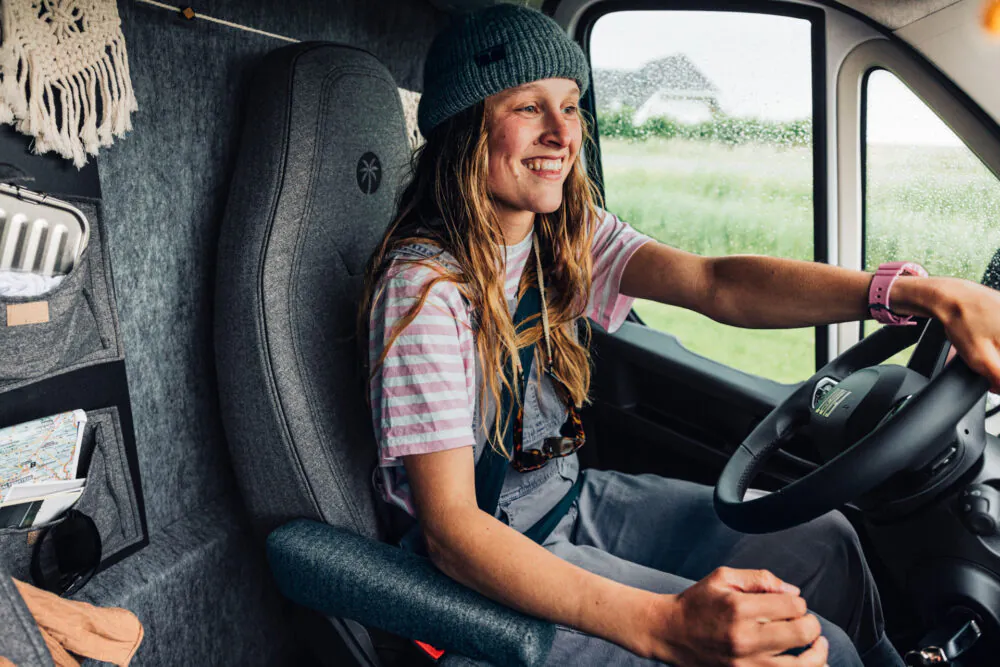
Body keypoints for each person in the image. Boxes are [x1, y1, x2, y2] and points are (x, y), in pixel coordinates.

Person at [361, 5, 1000, 666]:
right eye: (529, 107)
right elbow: (453, 532)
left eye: (572, 105)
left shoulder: (564, 239)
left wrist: (903, 292)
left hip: (570, 508)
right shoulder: (425, 291)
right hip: (480, 573)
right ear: (465, 124)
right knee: (803, 648)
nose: (561, 133)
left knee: (827, 541)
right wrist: (663, 623)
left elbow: (716, 282)